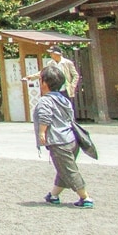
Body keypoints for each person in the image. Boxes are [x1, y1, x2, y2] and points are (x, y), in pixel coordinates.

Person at [33, 66, 93, 208]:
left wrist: (42, 132)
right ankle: (53, 195)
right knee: (63, 169)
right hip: (71, 139)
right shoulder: (64, 99)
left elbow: (45, 116)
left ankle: (85, 198)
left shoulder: (45, 101)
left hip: (59, 141)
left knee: (69, 171)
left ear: (44, 83)